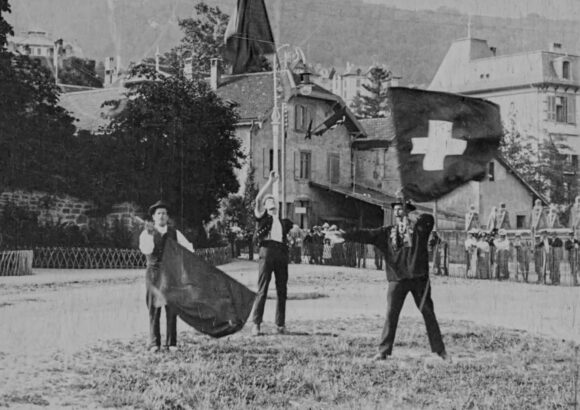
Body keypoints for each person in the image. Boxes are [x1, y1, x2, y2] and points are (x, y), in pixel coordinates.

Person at [340, 199, 448, 361]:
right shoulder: (387, 232)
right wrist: (344, 235)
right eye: (396, 209)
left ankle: (441, 351)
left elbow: (429, 220)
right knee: (391, 314)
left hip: (419, 279)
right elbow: (367, 234)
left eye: (402, 209)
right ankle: (383, 351)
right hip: (397, 279)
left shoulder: (419, 230)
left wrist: (411, 216)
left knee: (428, 313)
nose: (398, 212)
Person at [139, 200, 194, 353]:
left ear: (168, 216)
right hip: (154, 273)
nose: (162, 216)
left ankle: (172, 343)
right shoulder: (146, 233)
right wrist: (151, 235)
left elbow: (189, 248)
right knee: (154, 308)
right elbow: (146, 250)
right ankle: (154, 342)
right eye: (158, 213)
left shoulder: (175, 233)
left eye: (164, 213)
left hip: (171, 274)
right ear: (153, 217)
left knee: (172, 308)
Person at [251, 171, 293, 336]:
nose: (271, 202)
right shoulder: (263, 217)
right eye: (268, 201)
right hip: (267, 251)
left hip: (281, 252)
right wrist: (269, 182)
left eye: (273, 200)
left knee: (282, 289)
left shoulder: (282, 222)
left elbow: (296, 230)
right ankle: (256, 324)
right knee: (263, 289)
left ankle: (280, 324)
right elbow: (258, 199)